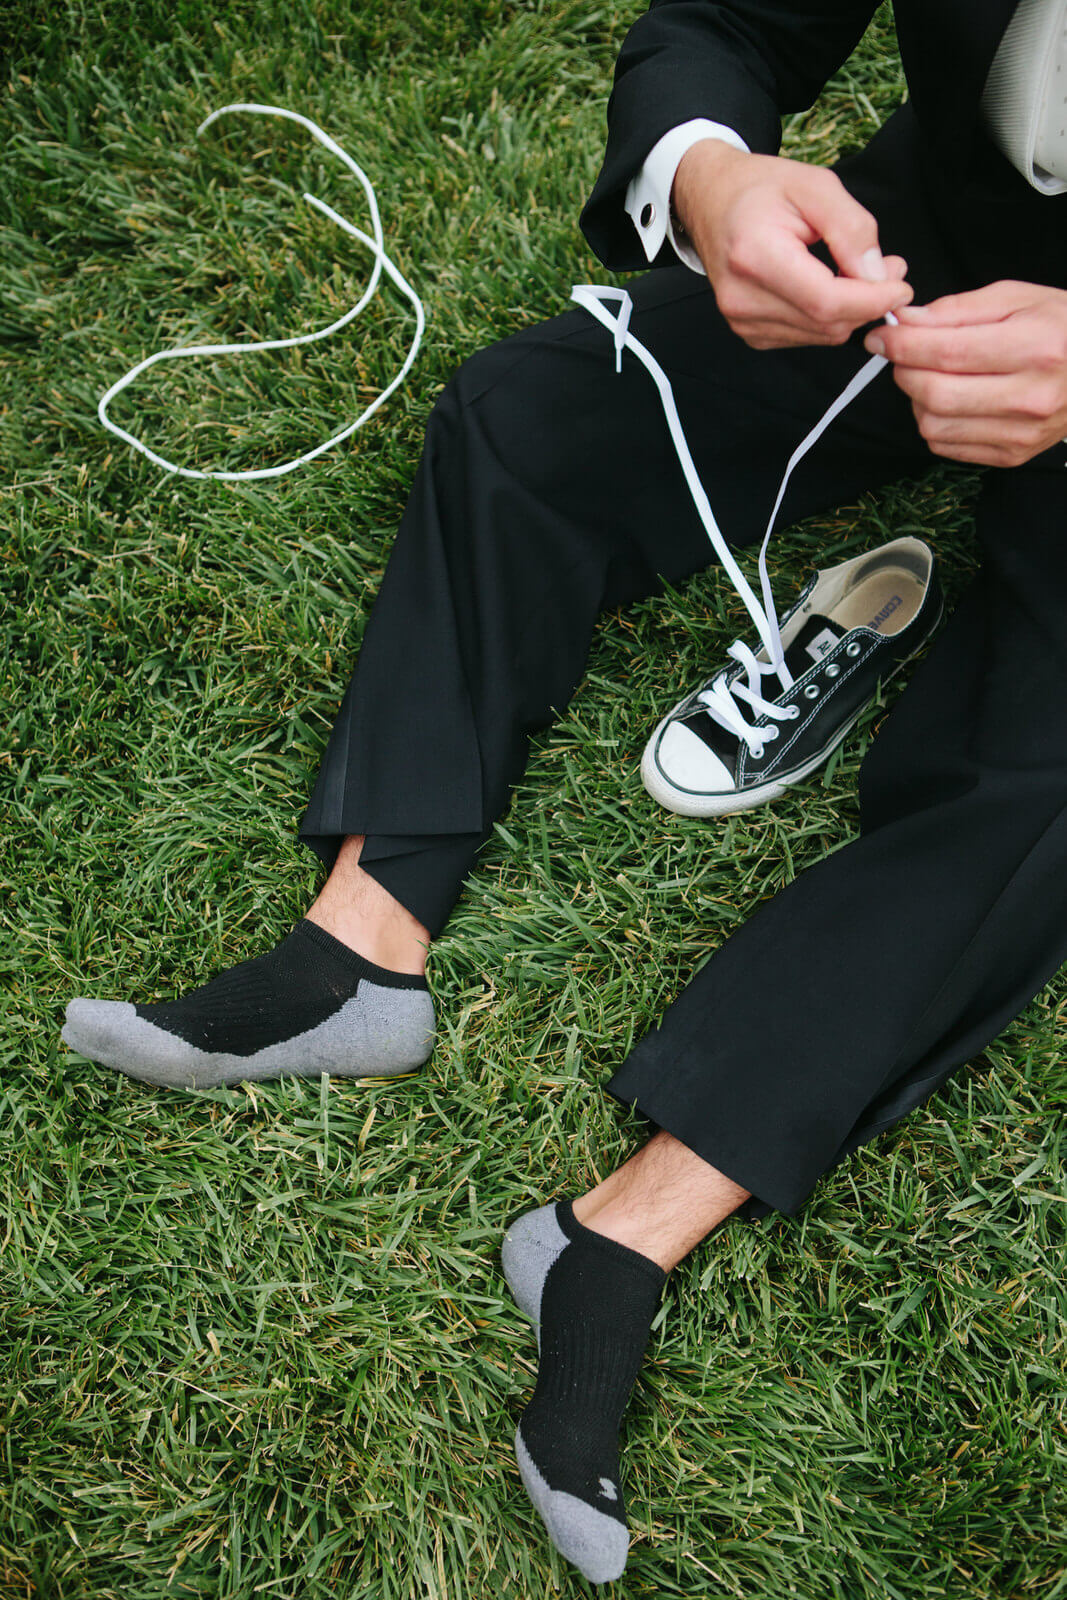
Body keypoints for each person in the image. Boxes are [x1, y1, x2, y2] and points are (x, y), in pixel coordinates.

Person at [62, 0, 1066, 1582]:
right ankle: (360, 949)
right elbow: (728, 20)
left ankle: (613, 1238)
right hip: (919, 260)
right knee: (526, 412)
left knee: (1042, 785)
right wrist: (714, 178)